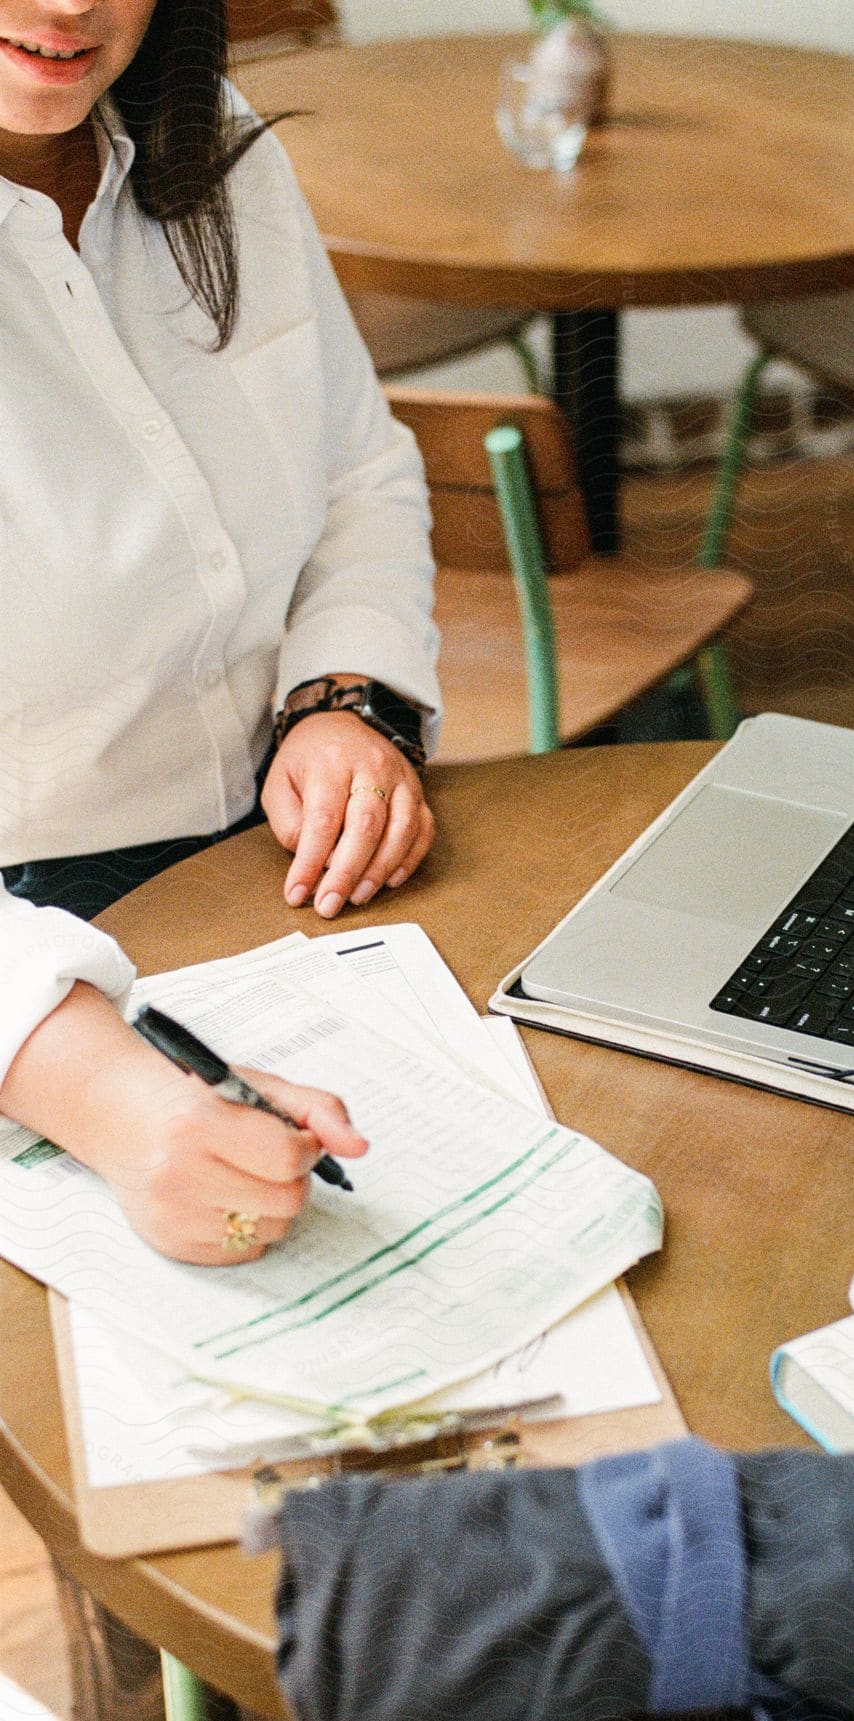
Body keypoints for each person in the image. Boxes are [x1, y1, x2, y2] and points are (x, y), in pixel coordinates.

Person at [0, 0, 442, 1269]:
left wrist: (346, 697)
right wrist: (103, 1094)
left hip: (290, 855)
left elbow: (358, 471)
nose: (70, 2)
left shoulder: (210, 143)